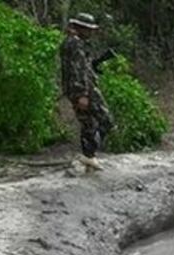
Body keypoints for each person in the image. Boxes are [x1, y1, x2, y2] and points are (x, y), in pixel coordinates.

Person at [60, 13, 113, 171]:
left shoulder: (74, 43)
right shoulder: (74, 44)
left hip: (77, 88)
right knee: (106, 120)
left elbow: (82, 66)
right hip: (83, 89)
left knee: (88, 123)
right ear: (80, 28)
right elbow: (76, 70)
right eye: (88, 29)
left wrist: (94, 66)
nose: (91, 32)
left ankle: (89, 157)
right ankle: (89, 155)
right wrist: (82, 94)